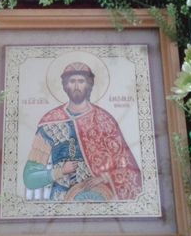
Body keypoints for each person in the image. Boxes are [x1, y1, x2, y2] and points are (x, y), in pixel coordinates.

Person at [23, 61, 142, 201]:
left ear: (89, 85)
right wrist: (60, 171)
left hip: (100, 198)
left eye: (81, 81)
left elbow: (127, 168)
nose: (76, 86)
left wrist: (104, 177)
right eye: (72, 81)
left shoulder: (104, 120)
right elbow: (29, 178)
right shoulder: (51, 122)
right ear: (65, 86)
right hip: (61, 199)